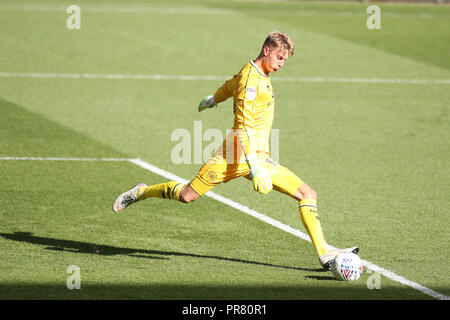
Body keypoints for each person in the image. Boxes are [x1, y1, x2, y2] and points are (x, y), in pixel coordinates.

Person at [112, 31, 358, 270]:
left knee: (307, 193)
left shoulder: (253, 73)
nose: (282, 64)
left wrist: (214, 99)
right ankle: (142, 192)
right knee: (188, 195)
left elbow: (231, 85)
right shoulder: (252, 81)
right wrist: (254, 167)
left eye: (285, 60)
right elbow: (242, 127)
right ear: (266, 50)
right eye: (280, 58)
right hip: (233, 156)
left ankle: (324, 251)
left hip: (258, 158)